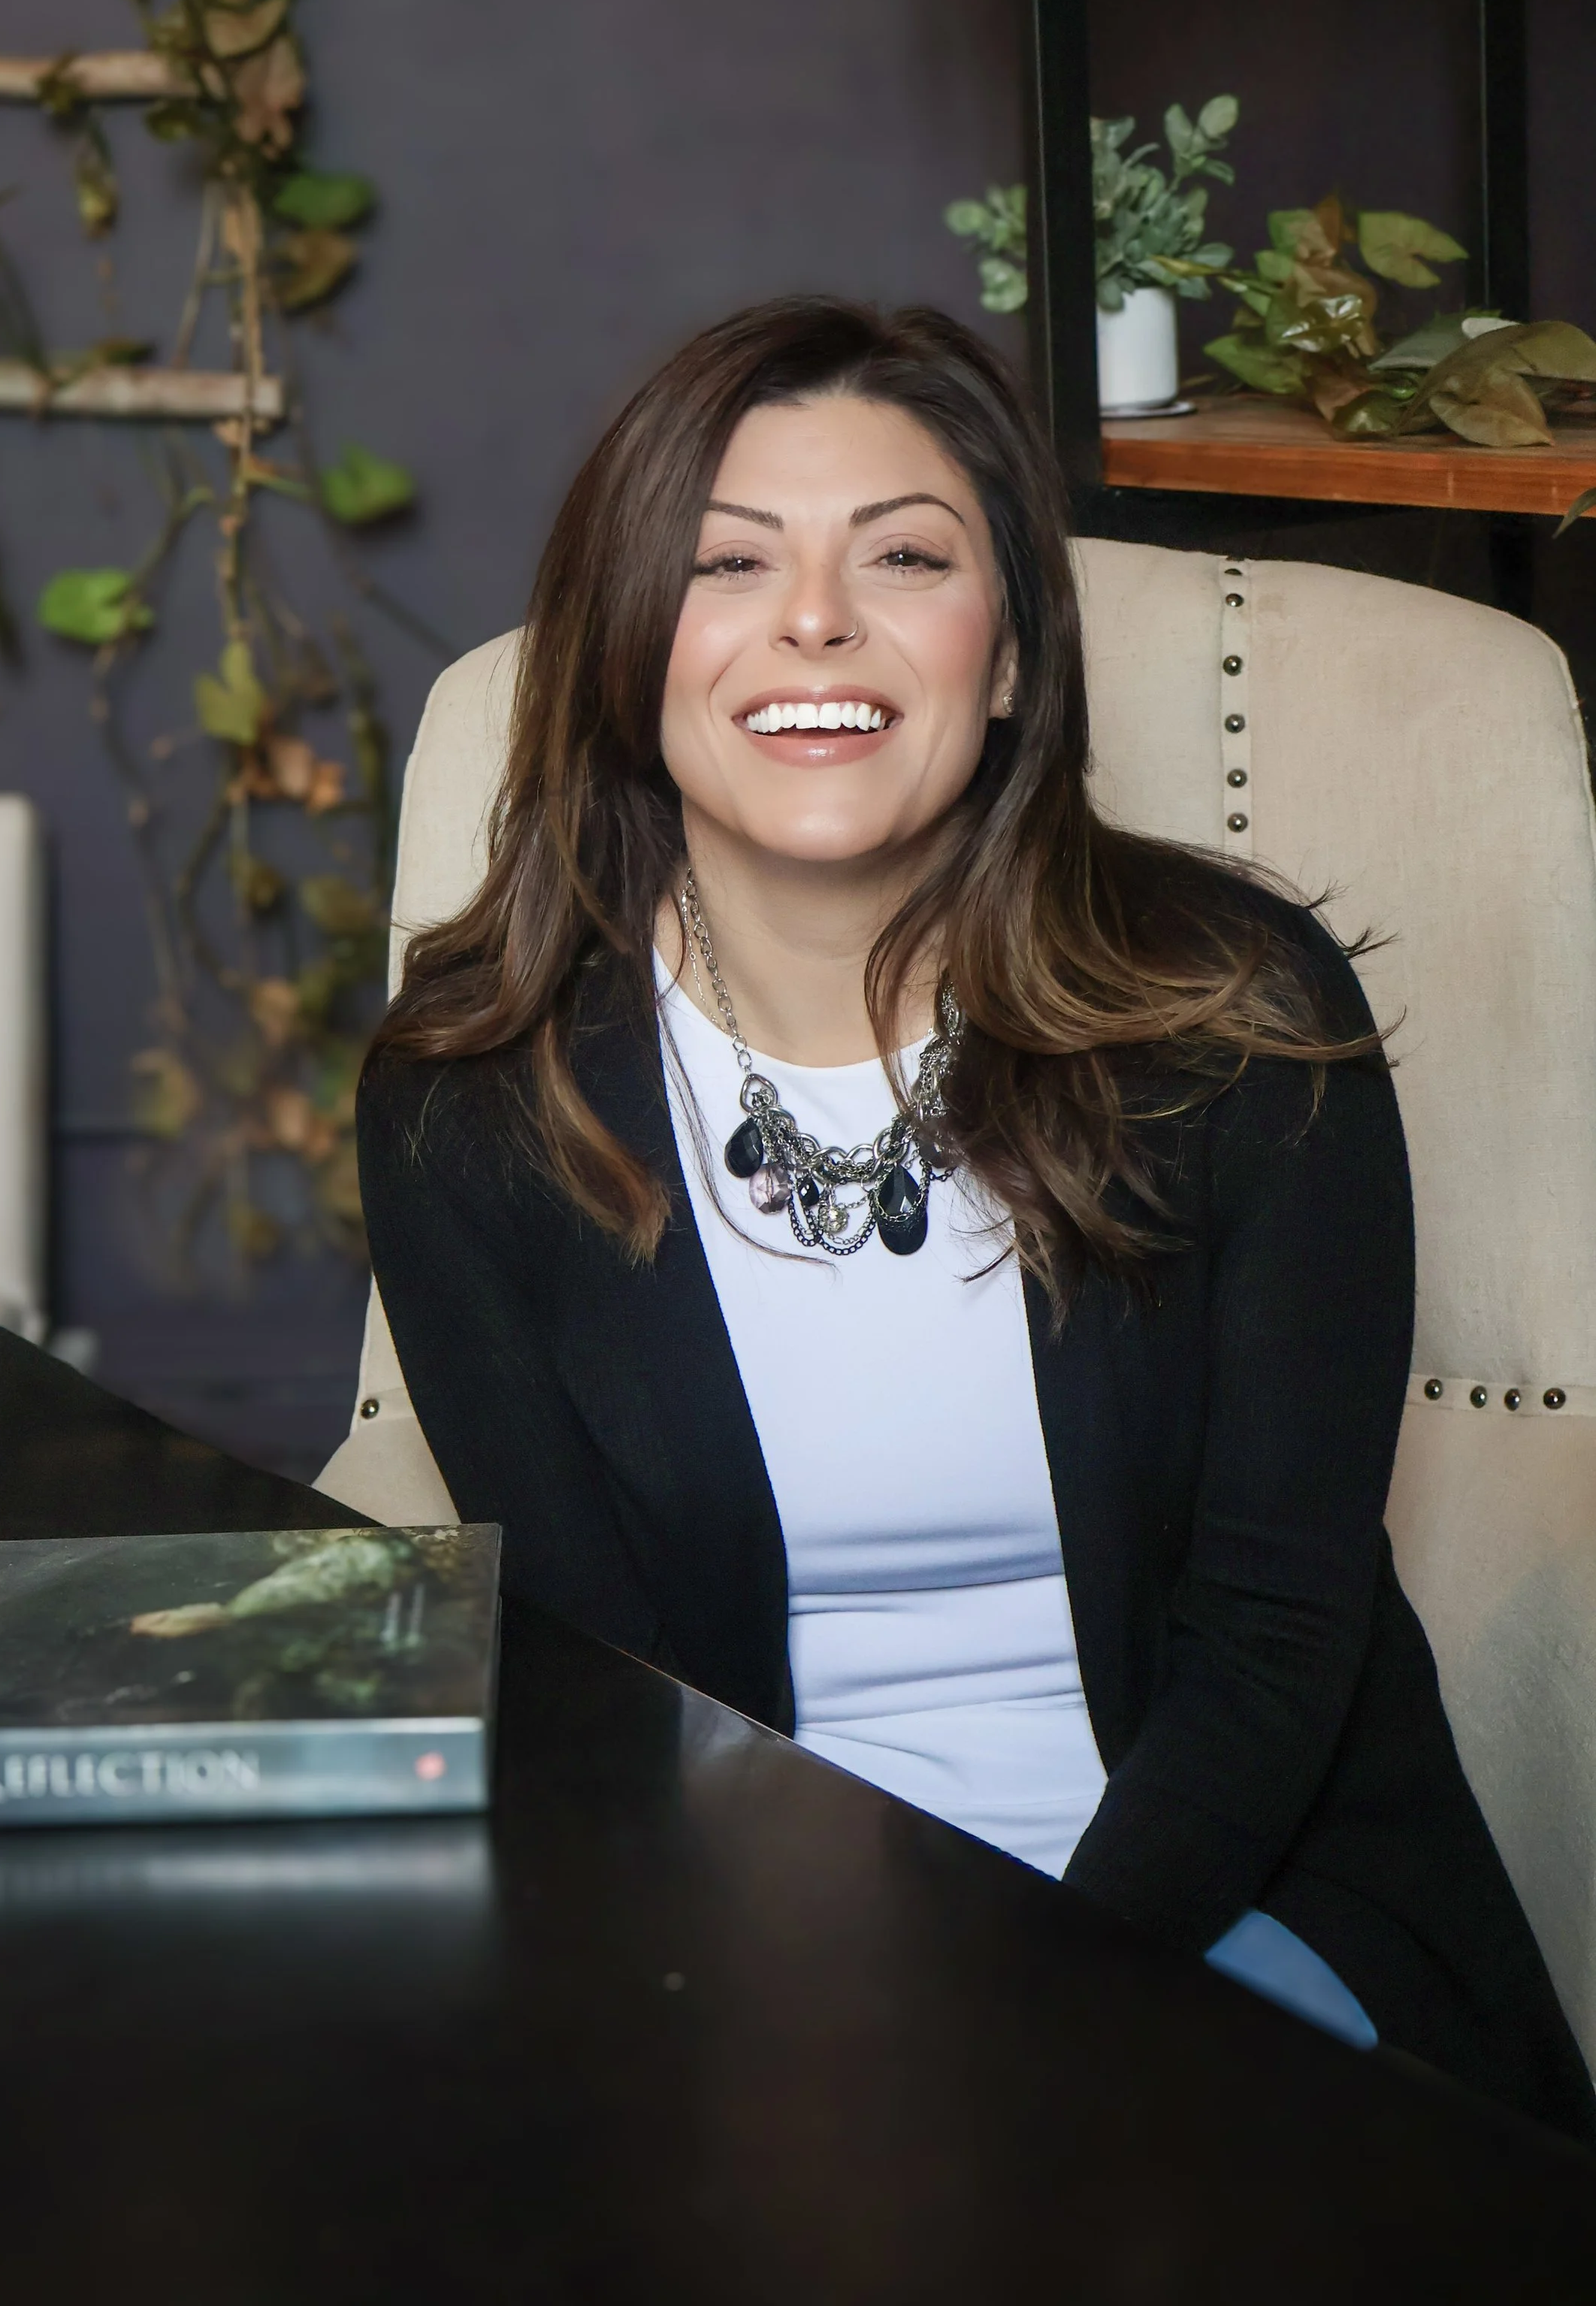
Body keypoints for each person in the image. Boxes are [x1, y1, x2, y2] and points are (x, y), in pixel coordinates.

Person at [358, 295, 1594, 2141]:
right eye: (728, 562)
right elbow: (604, 1679)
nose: (815, 621)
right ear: (628, 655)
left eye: (905, 557)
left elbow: (1274, 1643)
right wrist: (789, 2004)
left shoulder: (1241, 1021)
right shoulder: (475, 1101)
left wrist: (1016, 2002)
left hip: (1224, 1908)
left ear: (1006, 656)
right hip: (744, 1943)